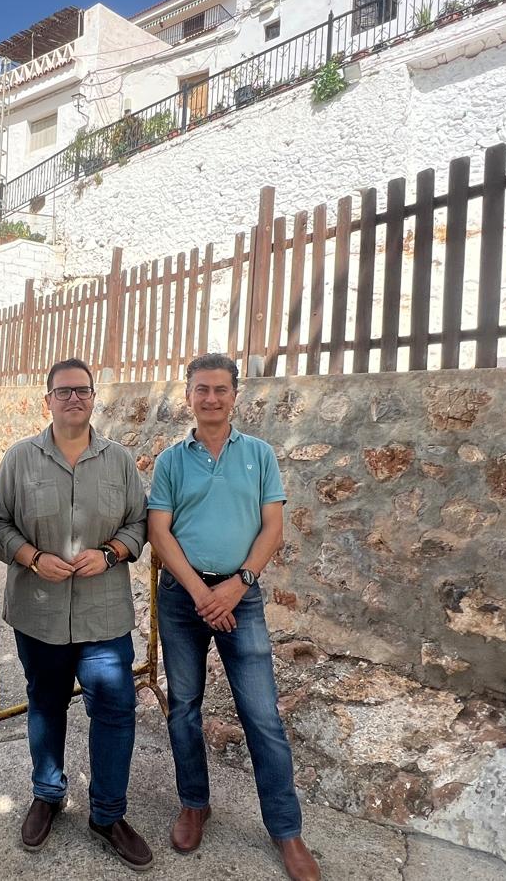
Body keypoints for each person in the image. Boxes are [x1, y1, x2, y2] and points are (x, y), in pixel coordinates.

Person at [146, 353, 322, 881]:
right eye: (201, 389)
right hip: (183, 597)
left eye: (221, 389)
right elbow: (159, 531)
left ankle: (286, 831)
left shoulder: (260, 455)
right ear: (189, 396)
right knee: (184, 708)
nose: (211, 399)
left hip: (239, 596)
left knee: (262, 716)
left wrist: (236, 585)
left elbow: (272, 529)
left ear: (235, 395)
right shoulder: (172, 460)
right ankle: (194, 804)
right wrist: (203, 593)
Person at [0, 358, 152, 871]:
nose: (73, 399)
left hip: (103, 616)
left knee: (114, 711)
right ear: (48, 401)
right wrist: (33, 558)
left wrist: (108, 554)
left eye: (82, 390)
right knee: (46, 703)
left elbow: (139, 524)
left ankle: (107, 813)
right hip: (38, 612)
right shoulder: (19, 459)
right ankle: (48, 794)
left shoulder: (120, 461)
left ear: (93, 397)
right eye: (63, 392)